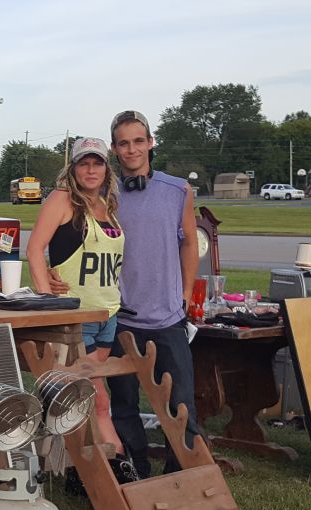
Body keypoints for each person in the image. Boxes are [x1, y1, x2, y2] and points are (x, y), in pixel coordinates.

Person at [27, 137, 137, 484]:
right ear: (72, 169)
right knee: (94, 399)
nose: (91, 170)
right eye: (83, 163)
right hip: (76, 317)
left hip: (106, 315)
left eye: (98, 163)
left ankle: (79, 472)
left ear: (107, 168)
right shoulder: (63, 200)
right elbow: (34, 249)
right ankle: (118, 473)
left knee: (84, 400)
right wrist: (50, 301)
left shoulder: (107, 204)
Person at [104, 110, 202, 477]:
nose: (132, 149)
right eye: (124, 143)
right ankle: (135, 472)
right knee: (124, 404)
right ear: (115, 148)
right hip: (119, 318)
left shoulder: (177, 190)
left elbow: (190, 242)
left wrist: (187, 291)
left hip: (167, 317)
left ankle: (183, 475)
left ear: (150, 143)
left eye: (138, 141)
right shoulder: (102, 194)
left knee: (181, 405)